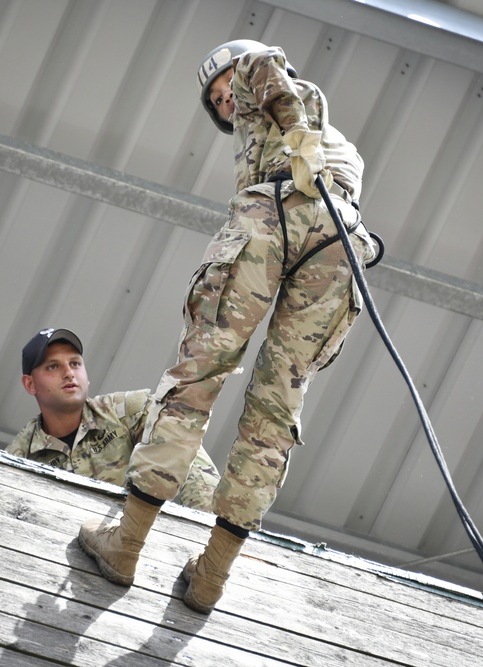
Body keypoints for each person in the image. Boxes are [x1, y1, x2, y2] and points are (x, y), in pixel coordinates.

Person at [78, 40, 377, 612]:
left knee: (198, 373)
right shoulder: (338, 142)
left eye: (224, 92)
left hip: (275, 216)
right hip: (341, 242)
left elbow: (263, 61)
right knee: (278, 405)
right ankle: (211, 577)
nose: (224, 103)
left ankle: (127, 544)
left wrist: (297, 140)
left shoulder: (271, 95)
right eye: (216, 101)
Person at [6, 327, 221, 512]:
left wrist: (211, 539)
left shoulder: (129, 412)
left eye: (75, 363)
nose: (69, 373)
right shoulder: (19, 456)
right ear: (30, 384)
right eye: (53, 366)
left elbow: (187, 456)